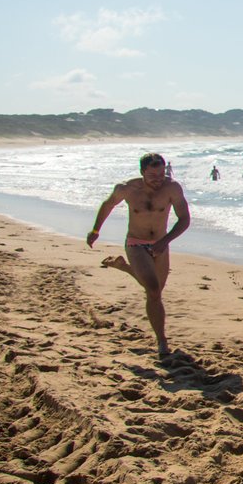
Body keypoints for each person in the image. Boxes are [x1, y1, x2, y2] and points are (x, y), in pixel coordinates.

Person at [86, 152, 191, 358]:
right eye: (153, 176)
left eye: (161, 175)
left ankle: (124, 267)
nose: (158, 180)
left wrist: (164, 241)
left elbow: (185, 219)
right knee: (152, 290)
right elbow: (108, 205)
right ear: (142, 172)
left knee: (157, 293)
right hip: (136, 244)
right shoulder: (127, 189)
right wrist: (96, 230)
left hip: (161, 244)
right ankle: (162, 341)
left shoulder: (172, 188)